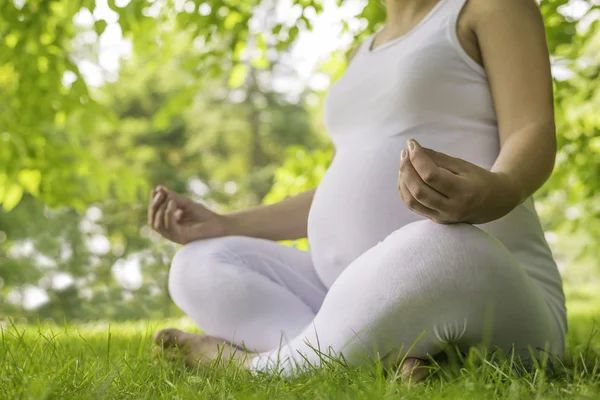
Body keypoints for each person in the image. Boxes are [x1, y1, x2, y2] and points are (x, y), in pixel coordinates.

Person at [149, 0, 567, 381]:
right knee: (197, 263)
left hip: (481, 276)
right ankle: (370, 351)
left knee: (441, 247)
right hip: (343, 287)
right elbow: (335, 189)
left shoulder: (488, 8)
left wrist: (496, 190)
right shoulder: (360, 53)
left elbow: (531, 130)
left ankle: (253, 367)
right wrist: (223, 224)